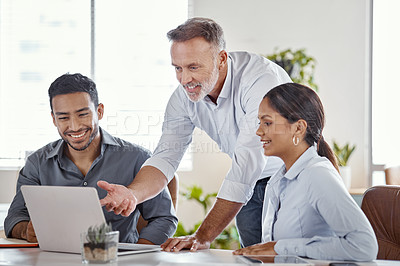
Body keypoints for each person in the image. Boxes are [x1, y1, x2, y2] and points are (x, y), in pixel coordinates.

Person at [98, 17, 292, 250]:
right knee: (253, 257)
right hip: (250, 190)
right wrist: (133, 194)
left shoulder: (260, 81)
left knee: (293, 258)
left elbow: (248, 161)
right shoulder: (183, 98)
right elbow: (165, 158)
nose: (184, 79)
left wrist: (202, 235)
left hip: (289, 179)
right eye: (178, 68)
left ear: (221, 59)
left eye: (193, 67)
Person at [4, 73, 177, 245]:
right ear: (54, 119)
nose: (74, 126)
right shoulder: (37, 163)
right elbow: (15, 217)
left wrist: (138, 255)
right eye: (63, 117)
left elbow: (164, 218)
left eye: (83, 114)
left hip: (117, 260)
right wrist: (26, 230)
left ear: (99, 111)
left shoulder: (138, 158)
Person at [233, 83, 378, 261]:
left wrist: (281, 248)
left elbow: (364, 245)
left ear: (298, 128)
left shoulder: (317, 175)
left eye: (267, 122)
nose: (258, 131)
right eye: (260, 122)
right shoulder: (277, 181)